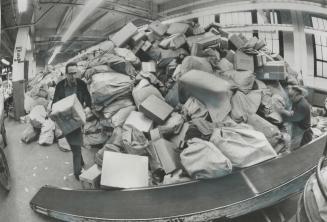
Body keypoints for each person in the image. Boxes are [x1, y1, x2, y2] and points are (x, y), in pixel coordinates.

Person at [52, 62, 92, 180]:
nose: (73, 76)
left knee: (76, 144)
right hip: (66, 120)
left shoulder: (81, 84)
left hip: (78, 118)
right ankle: (79, 168)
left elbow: (88, 100)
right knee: (75, 144)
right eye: (70, 74)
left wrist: (87, 109)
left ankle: (79, 168)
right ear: (66, 74)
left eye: (75, 73)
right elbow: (55, 103)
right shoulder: (59, 86)